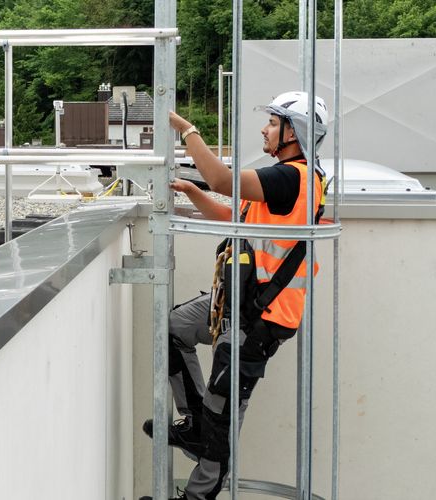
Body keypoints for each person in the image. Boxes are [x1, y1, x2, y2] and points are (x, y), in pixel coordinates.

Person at [141, 91, 328, 500]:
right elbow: (233, 216)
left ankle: (197, 495)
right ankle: (192, 426)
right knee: (172, 327)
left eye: (274, 123)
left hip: (260, 318)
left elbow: (223, 180)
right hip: (238, 304)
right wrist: (192, 192)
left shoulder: (291, 177)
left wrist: (187, 130)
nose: (265, 128)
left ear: (294, 132)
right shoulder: (286, 181)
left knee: (221, 417)